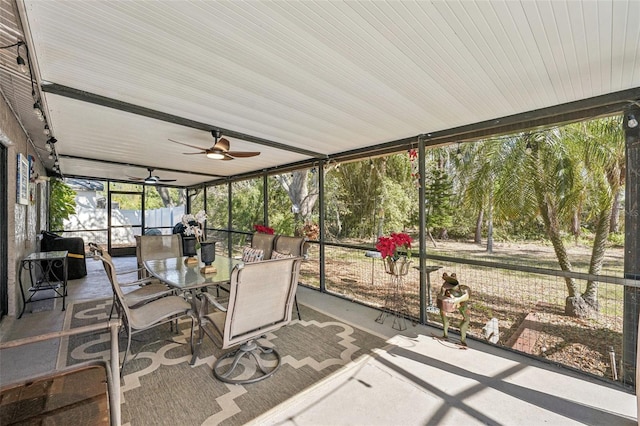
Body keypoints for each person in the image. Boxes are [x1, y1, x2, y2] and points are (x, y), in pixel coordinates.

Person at [437, 272, 471, 346]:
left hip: (461, 304)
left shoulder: (463, 289)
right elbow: (441, 295)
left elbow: (466, 295)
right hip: (450, 303)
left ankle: (463, 341)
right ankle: (445, 335)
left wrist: (457, 300)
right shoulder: (446, 288)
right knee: (443, 314)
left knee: (464, 322)